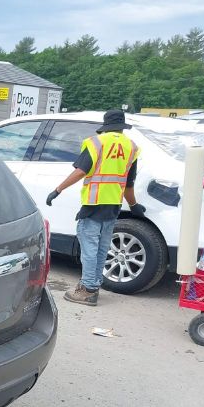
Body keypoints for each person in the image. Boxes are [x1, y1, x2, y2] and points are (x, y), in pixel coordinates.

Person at [45, 109, 146, 306]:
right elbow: (129, 183)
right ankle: (94, 285)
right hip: (113, 205)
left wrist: (58, 190)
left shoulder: (96, 142)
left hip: (93, 203)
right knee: (101, 248)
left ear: (106, 125)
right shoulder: (131, 147)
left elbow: (81, 171)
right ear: (122, 127)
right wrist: (133, 205)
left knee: (89, 247)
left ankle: (88, 289)